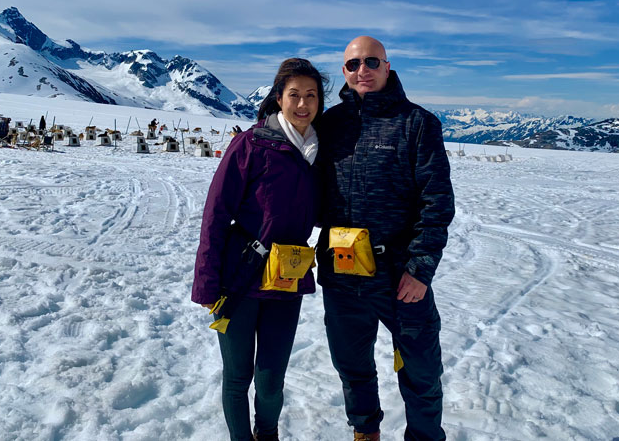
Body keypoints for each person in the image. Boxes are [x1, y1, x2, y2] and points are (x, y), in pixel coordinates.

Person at [316, 36, 455, 440]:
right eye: (353, 63)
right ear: (344, 71)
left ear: (388, 66)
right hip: (342, 273)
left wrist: (420, 269)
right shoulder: (330, 124)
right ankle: (365, 433)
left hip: (399, 275)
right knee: (352, 367)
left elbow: (437, 201)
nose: (363, 70)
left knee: (421, 370)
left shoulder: (418, 123)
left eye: (372, 61)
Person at [192, 58, 328, 441]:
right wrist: (206, 283)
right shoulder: (250, 144)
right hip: (240, 275)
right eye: (294, 95)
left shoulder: (320, 153)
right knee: (238, 377)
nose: (303, 104)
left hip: (287, 276)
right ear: (278, 99)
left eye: (311, 95)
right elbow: (215, 215)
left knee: (271, 381)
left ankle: (267, 435)